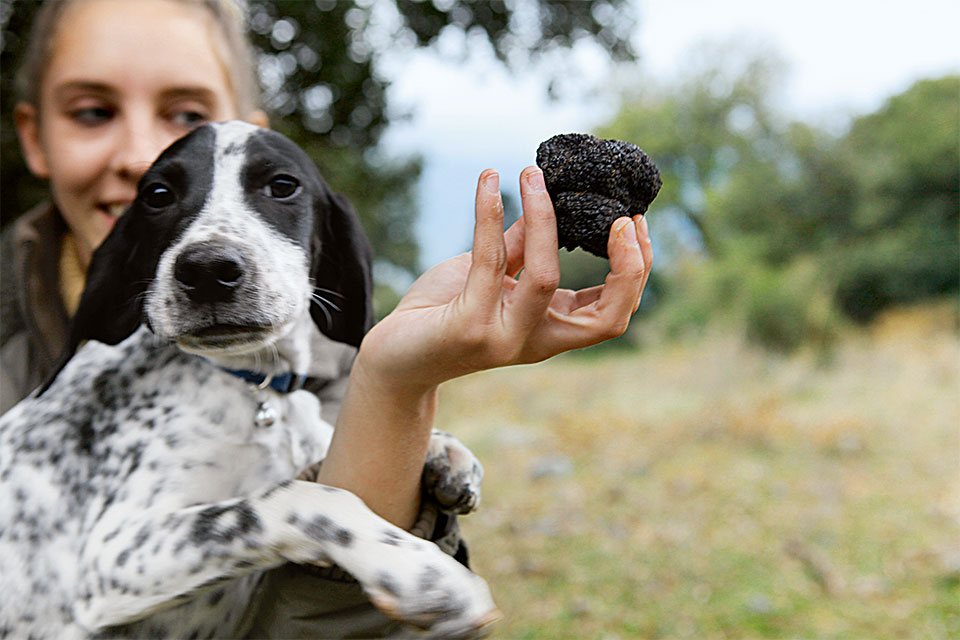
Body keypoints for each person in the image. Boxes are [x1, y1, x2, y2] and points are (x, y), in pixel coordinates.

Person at [0, 0, 653, 635]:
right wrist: (303, 515)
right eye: (93, 111)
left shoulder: (309, 383)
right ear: (134, 258)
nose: (137, 150)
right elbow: (106, 580)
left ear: (328, 249)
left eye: (277, 187)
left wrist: (394, 387)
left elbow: (320, 619)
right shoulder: (108, 376)